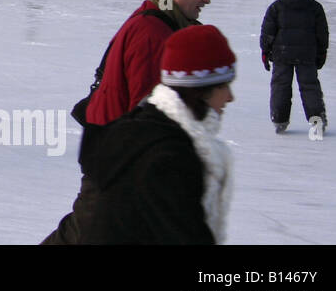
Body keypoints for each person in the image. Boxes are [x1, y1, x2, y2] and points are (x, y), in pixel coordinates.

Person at [42, 0, 215, 244]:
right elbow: (146, 110)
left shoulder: (164, 21)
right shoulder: (153, 33)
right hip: (115, 154)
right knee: (84, 234)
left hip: (120, 150)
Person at [79, 25, 236, 245]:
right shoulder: (167, 157)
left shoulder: (138, 132)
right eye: (224, 86)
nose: (230, 97)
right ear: (199, 90)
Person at [261, 0, 329, 137]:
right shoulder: (314, 7)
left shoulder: (277, 7)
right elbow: (322, 34)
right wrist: (321, 54)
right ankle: (317, 120)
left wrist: (265, 51)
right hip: (307, 55)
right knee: (310, 87)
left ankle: (280, 119)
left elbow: (268, 32)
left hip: (281, 54)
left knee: (280, 86)